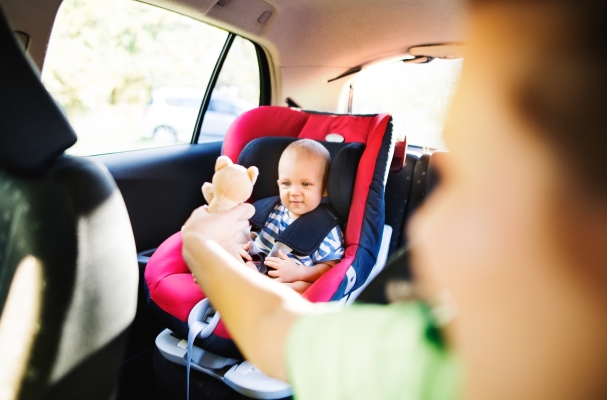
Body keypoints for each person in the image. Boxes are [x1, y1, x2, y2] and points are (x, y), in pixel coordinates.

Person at [182, 0, 607, 398]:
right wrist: (206, 245)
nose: (426, 231)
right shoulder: (432, 357)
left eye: (487, 186)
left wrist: (201, 244)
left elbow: (275, 326)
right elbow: (273, 327)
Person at [239, 139, 344, 294]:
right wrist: (241, 247)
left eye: (306, 184)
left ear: (324, 189)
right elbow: (251, 235)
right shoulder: (269, 209)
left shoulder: (326, 231)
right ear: (278, 183)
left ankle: (264, 290)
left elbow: (331, 268)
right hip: (256, 267)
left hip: (290, 281)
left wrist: (299, 272)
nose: (294, 192)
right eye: (287, 184)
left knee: (307, 287)